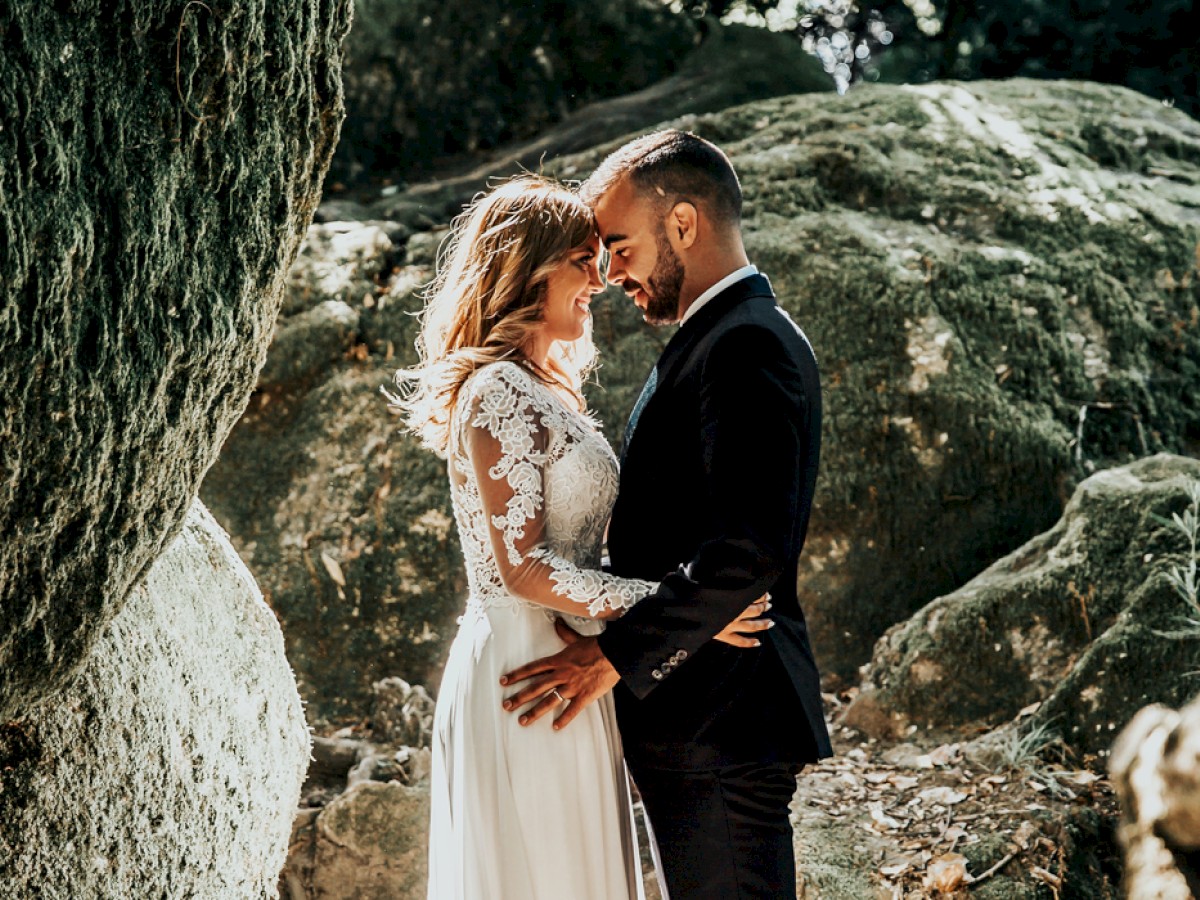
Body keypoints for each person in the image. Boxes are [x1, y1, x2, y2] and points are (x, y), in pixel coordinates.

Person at [389, 175, 770, 900]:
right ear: (526, 268)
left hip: (568, 659)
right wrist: (680, 605)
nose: (599, 280)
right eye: (581, 260)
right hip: (524, 669)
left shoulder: (542, 388)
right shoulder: (497, 390)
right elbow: (526, 567)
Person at [500, 132, 834, 899]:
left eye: (620, 247)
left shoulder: (746, 345)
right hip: (699, 716)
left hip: (722, 719)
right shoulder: (719, 337)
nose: (610, 273)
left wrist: (612, 655)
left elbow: (747, 551)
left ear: (683, 223)